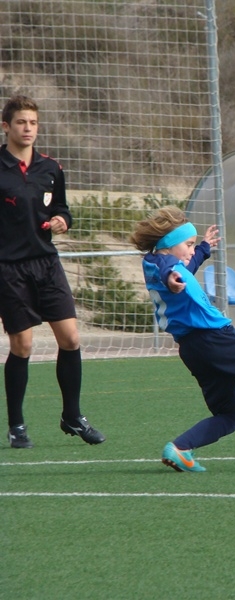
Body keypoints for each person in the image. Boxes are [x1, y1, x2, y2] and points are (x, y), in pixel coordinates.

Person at [130, 206, 235, 472]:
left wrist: (203, 249)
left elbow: (183, 266)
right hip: (215, 337)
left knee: (229, 415)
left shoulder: (153, 262)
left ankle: (180, 449)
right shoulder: (167, 267)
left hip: (192, 349)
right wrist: (172, 279)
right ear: (169, 244)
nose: (190, 250)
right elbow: (172, 271)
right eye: (188, 244)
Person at [0, 94, 105, 448]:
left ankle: (72, 416)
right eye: (20, 122)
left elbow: (61, 207)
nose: (27, 129)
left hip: (47, 263)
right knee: (23, 346)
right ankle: (16, 425)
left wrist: (63, 219)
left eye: (32, 123)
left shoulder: (51, 168)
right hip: (8, 269)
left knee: (71, 339)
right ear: (6, 126)